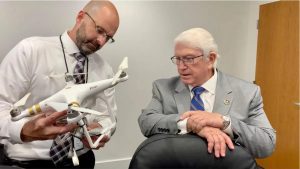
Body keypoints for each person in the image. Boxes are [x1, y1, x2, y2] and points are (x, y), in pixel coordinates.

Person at [0, 0, 119, 168]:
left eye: (108, 37)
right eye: (99, 30)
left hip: (81, 160)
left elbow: (108, 117)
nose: (101, 41)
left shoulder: (105, 70)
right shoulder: (31, 50)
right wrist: (23, 130)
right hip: (27, 162)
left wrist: (99, 130)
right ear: (80, 17)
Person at [138, 28, 276, 161]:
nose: (181, 67)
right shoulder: (163, 88)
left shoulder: (248, 92)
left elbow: (266, 144)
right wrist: (190, 124)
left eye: (189, 59)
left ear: (210, 59)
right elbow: (146, 122)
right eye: (178, 59)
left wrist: (224, 122)